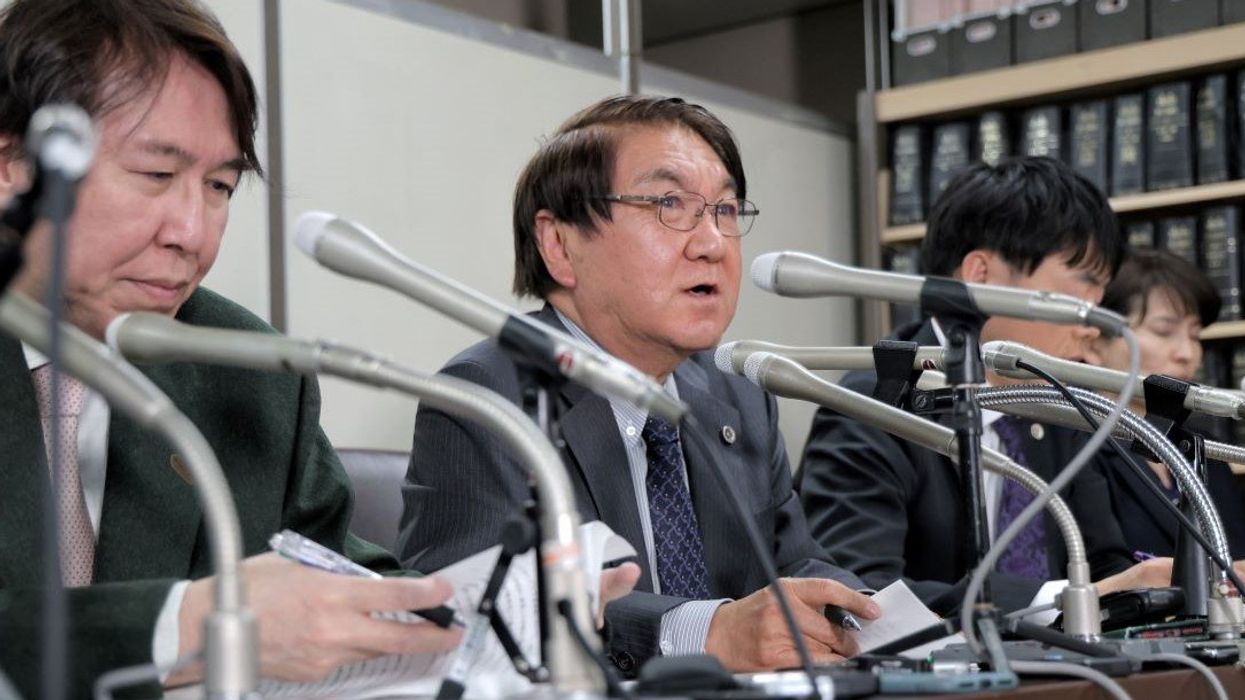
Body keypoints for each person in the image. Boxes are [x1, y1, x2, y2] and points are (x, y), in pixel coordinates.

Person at [0, 0, 454, 695]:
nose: (194, 232)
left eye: (219, 187)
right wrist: (187, 623)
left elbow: (335, 570)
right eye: (156, 174)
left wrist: (473, 607)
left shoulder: (244, 366)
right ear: (13, 168)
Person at [398, 94, 880, 675]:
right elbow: (484, 618)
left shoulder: (739, 396)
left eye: (725, 210)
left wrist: (875, 619)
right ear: (560, 245)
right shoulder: (490, 397)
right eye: (669, 203)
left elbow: (797, 563)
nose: (712, 244)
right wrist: (702, 631)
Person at [798, 157, 1173, 616]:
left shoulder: (1056, 403)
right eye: (1082, 290)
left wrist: (1160, 589)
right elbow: (859, 593)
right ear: (980, 275)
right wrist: (1059, 601)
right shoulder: (874, 401)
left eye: (1101, 298)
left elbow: (1103, 564)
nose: (1093, 325)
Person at [1085, 248, 1245, 559]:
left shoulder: (1205, 448)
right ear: (1094, 345)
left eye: (1195, 335)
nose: (1187, 353)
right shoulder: (1074, 446)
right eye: (1164, 331)